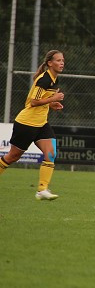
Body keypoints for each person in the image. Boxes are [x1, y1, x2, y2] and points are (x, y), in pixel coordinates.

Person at [0, 49, 65, 200]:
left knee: (50, 153)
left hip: (41, 124)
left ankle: (42, 190)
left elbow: (42, 101)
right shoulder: (44, 79)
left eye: (62, 60)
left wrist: (51, 104)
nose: (62, 63)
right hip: (26, 123)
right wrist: (51, 99)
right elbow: (33, 102)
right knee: (12, 157)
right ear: (50, 63)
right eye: (58, 60)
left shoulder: (55, 79)